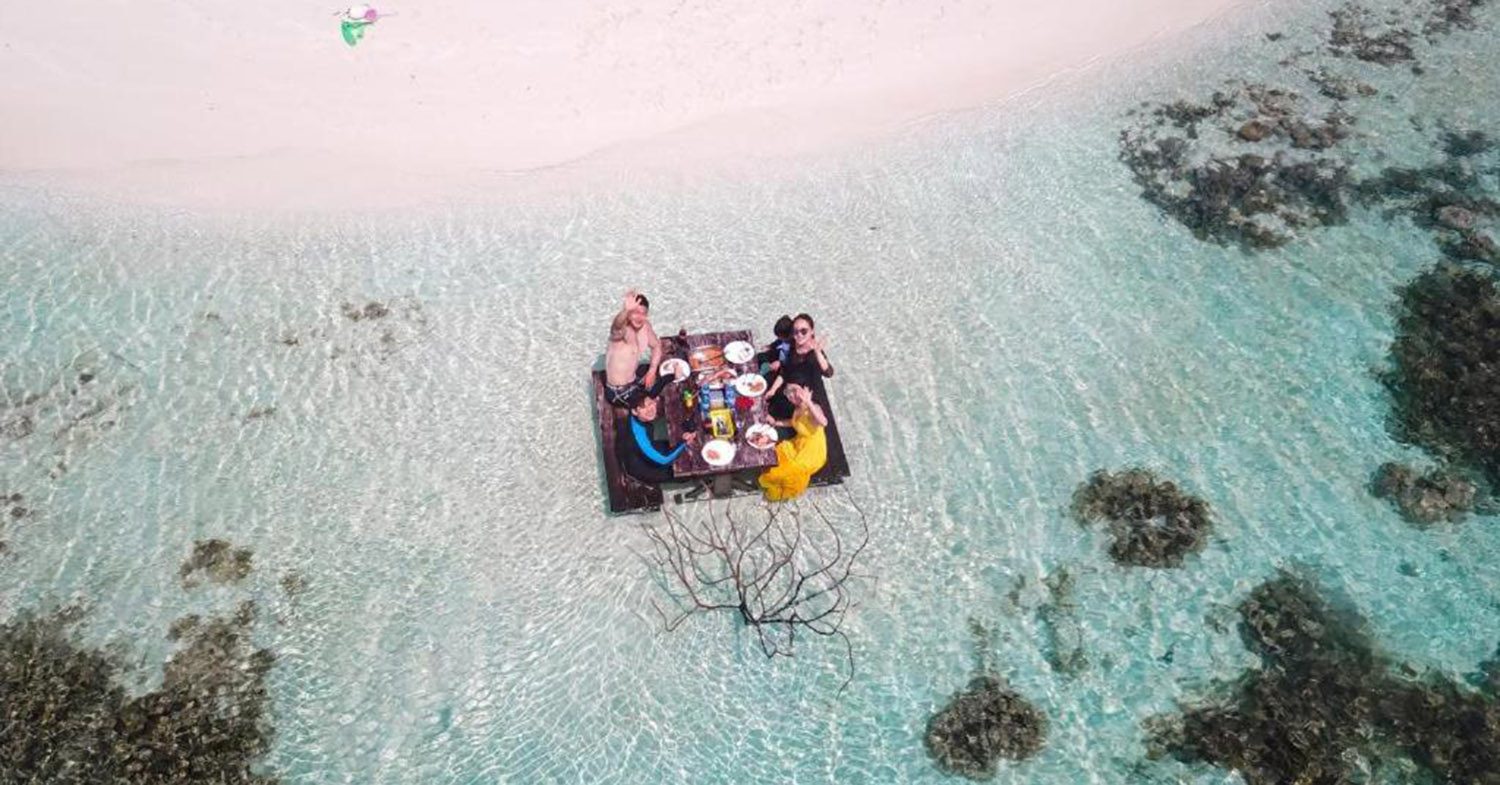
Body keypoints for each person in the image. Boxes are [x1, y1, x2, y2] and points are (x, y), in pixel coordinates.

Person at [758, 383, 828, 501]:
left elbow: (823, 422)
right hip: (798, 444)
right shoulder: (798, 408)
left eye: (796, 393)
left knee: (779, 472)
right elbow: (793, 422)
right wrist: (775, 422)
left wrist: (809, 402)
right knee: (776, 451)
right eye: (791, 396)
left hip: (811, 453)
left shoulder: (813, 408)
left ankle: (777, 486)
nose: (794, 397)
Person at [604, 289, 667, 409]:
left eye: (643, 313)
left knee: (668, 374)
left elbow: (656, 346)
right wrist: (625, 310)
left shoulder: (645, 327)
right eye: (635, 312)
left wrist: (652, 371)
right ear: (628, 314)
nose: (639, 317)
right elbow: (616, 326)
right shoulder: (622, 332)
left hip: (633, 381)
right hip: (617, 392)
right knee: (653, 405)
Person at [766, 313, 832, 420]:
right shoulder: (793, 345)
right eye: (795, 331)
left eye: (804, 331)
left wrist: (818, 353)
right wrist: (773, 390)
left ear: (812, 331)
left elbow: (829, 372)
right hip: (790, 390)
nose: (799, 335)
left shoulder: (814, 355)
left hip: (804, 398)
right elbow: (784, 371)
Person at [616, 396, 696, 485]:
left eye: (650, 404)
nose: (649, 410)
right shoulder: (638, 435)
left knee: (671, 443)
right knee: (686, 470)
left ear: (655, 401)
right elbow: (664, 459)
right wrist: (684, 442)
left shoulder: (635, 417)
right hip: (645, 470)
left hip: (638, 452)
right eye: (642, 408)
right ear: (634, 411)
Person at [756, 315, 794, 383]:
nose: (779, 338)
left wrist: (780, 363)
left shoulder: (795, 345)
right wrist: (770, 346)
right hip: (779, 355)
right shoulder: (784, 339)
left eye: (781, 337)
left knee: (768, 378)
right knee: (760, 356)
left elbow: (793, 361)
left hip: (786, 366)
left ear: (790, 335)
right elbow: (778, 342)